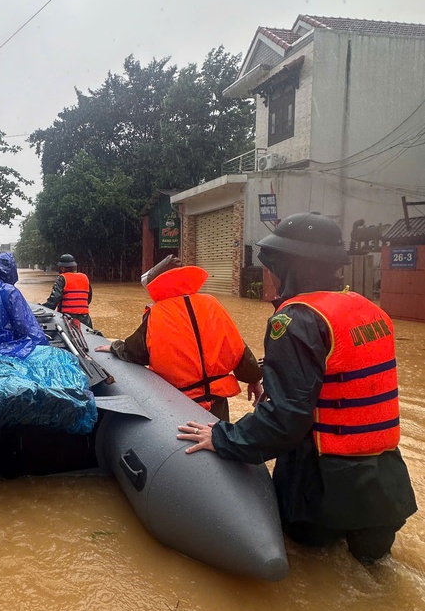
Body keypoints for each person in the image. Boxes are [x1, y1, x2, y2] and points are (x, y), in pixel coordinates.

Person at [177, 211, 418, 564]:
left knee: (306, 564)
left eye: (272, 266)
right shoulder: (370, 310)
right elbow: (340, 377)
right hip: (385, 486)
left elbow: (284, 420)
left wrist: (222, 437)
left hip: (321, 488)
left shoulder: (296, 319)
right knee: (374, 570)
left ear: (291, 267)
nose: (268, 275)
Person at [95, 255, 263, 420]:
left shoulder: (157, 314)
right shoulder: (212, 303)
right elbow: (238, 347)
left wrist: (114, 346)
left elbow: (135, 352)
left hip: (179, 404)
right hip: (217, 402)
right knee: (217, 443)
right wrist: (254, 379)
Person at [42, 253, 93, 327]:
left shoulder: (62, 278)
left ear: (62, 268)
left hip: (67, 317)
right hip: (85, 318)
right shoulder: (84, 277)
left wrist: (43, 308)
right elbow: (88, 298)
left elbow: (54, 299)